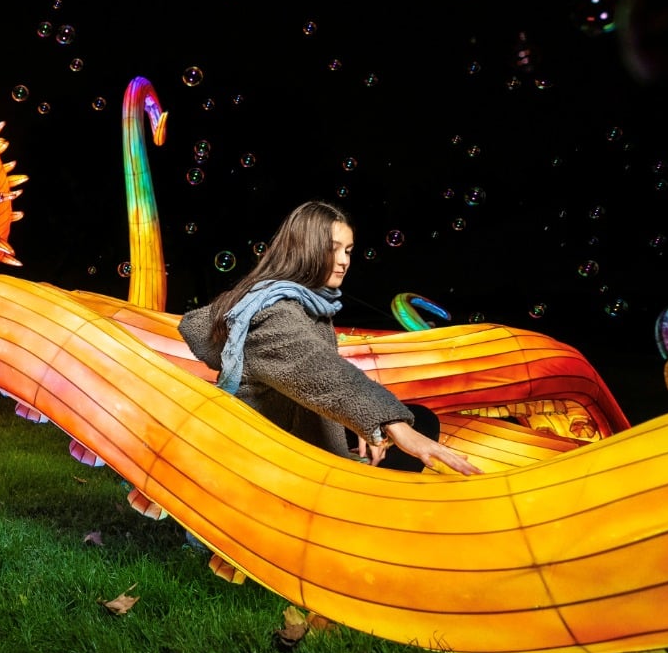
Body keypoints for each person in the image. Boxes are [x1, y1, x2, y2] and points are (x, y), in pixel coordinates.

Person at [179, 200, 480, 475]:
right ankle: (357, 512)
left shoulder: (304, 302)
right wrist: (392, 425)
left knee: (421, 418)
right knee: (413, 429)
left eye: (348, 250)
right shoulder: (272, 311)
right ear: (302, 248)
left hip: (300, 421)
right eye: (332, 248)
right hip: (275, 454)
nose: (344, 261)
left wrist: (368, 426)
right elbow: (319, 370)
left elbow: (316, 378)